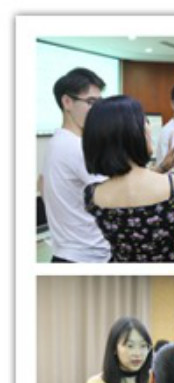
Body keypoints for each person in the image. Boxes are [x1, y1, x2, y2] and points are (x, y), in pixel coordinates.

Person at [82, 96, 174, 262]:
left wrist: (162, 167)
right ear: (135, 133)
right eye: (145, 122)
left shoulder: (92, 195)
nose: (149, 128)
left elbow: (132, 183)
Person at [40, 67, 110, 263]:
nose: (97, 110)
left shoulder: (57, 141)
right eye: (91, 102)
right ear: (67, 102)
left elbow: (41, 183)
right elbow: (117, 196)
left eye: (100, 102)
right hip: (86, 258)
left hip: (68, 253)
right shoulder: (76, 147)